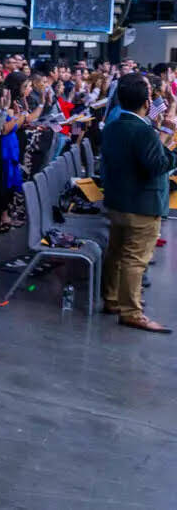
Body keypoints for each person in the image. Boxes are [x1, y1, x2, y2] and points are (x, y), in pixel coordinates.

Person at [100, 72, 177, 332]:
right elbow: (158, 165)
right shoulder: (142, 130)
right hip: (142, 205)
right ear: (146, 102)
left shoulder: (114, 125)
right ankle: (131, 311)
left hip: (118, 202)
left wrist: (164, 130)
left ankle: (112, 299)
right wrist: (170, 142)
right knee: (135, 259)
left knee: (116, 254)